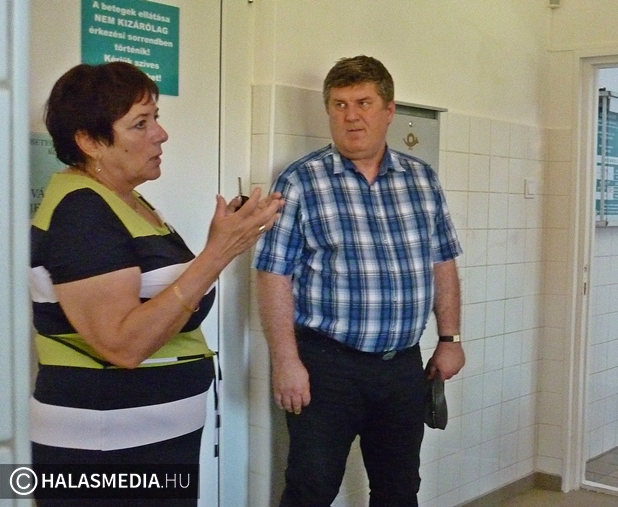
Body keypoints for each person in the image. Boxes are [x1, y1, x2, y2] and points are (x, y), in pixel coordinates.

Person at [30, 62, 283, 505]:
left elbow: (164, 297)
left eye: (156, 119)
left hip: (149, 443)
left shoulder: (126, 199)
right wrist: (218, 253)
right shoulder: (82, 212)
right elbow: (123, 345)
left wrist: (220, 244)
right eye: (140, 124)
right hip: (103, 451)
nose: (161, 135)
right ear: (89, 141)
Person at [254, 55, 465, 507]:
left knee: (399, 490)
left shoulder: (422, 180)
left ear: (389, 111)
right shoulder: (300, 181)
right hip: (326, 367)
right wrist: (286, 361)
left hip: (402, 367)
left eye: (363, 103)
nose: (351, 116)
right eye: (339, 104)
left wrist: (450, 339)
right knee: (310, 490)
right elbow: (272, 274)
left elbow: (443, 262)